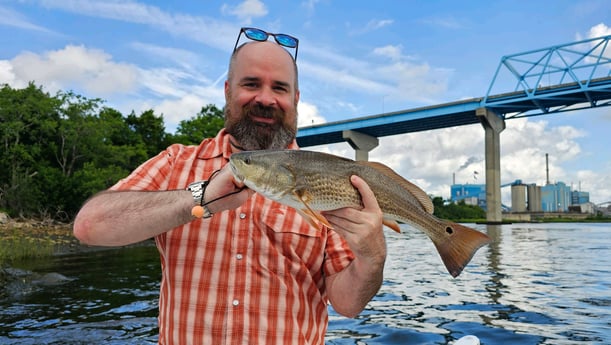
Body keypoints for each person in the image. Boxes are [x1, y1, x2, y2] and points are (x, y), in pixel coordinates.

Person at [73, 27, 387, 345]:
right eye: (251, 84)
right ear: (227, 91)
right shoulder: (176, 162)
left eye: (279, 88)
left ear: (295, 99)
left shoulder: (330, 182)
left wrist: (372, 256)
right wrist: (199, 198)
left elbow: (348, 304)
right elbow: (89, 226)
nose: (265, 98)